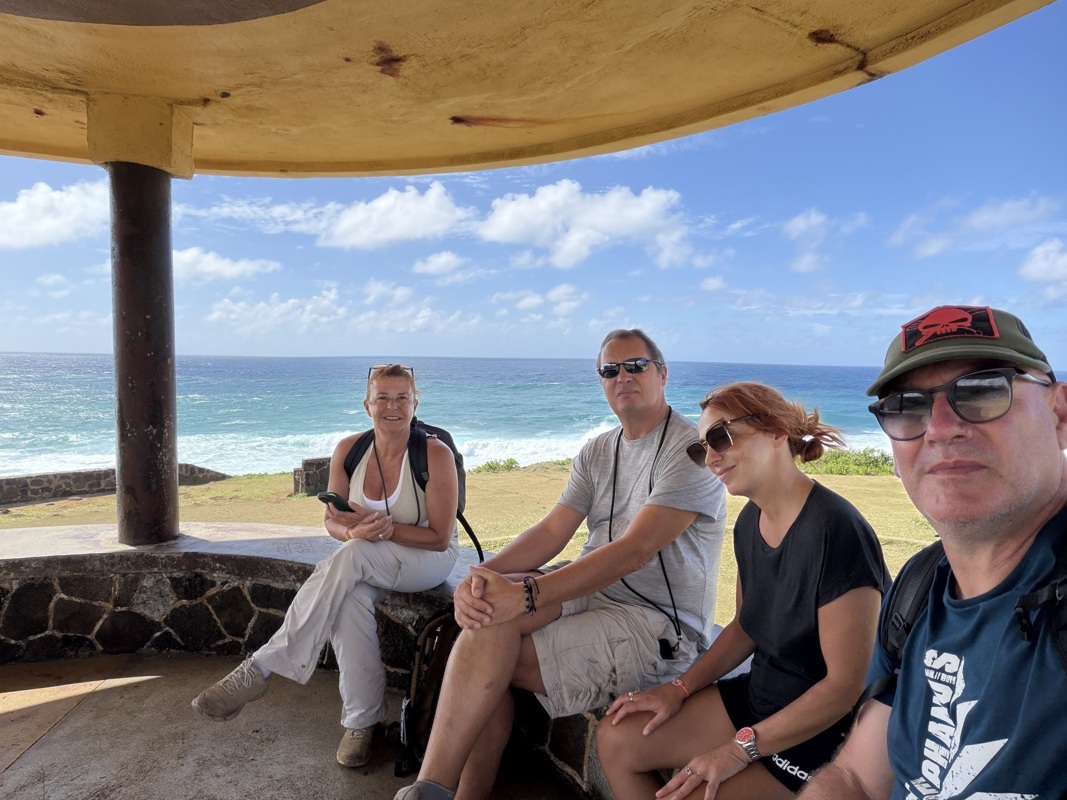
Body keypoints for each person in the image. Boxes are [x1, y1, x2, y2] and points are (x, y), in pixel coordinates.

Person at [394, 329, 728, 800]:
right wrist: (483, 578)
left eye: (636, 365)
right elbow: (552, 532)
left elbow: (634, 551)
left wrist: (527, 592)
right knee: (489, 616)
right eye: (610, 370)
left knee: (487, 663)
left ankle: (439, 791)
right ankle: (433, 789)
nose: (623, 377)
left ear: (663, 373)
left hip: (657, 626)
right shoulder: (599, 449)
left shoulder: (690, 450)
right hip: (590, 594)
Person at [799, 304, 1067, 799]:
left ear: (1059, 413)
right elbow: (856, 777)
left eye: (984, 390)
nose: (940, 427)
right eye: (907, 406)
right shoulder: (918, 591)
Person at [597, 382, 890, 800]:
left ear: (776, 431)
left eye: (721, 436)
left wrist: (738, 750)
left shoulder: (836, 531)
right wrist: (677, 689)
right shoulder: (749, 524)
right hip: (760, 697)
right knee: (616, 738)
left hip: (820, 731)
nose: (711, 457)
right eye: (701, 448)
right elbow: (744, 627)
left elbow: (844, 687)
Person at [191, 364, 460, 769]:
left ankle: (261, 667)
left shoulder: (434, 453)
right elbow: (333, 520)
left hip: (428, 559)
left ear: (414, 403)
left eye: (402, 397)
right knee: (349, 597)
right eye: (382, 397)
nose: (392, 406)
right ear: (366, 405)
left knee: (352, 558)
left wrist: (382, 531)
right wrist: (353, 534)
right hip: (368, 558)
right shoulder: (349, 450)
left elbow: (439, 536)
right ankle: (361, 723)